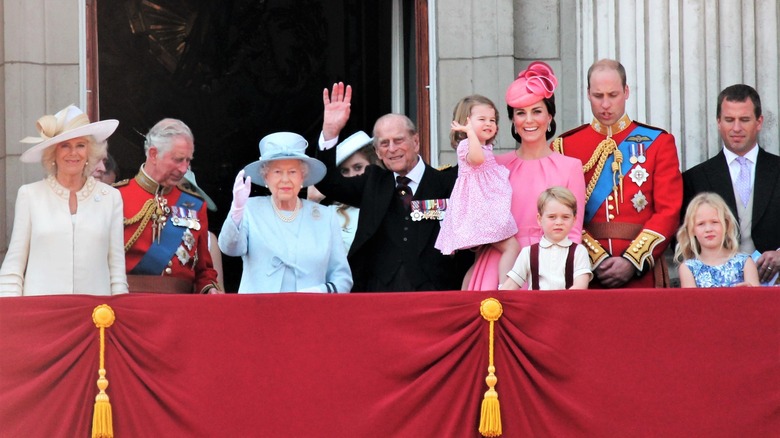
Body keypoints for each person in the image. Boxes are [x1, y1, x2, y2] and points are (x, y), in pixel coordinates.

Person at [313, 82, 473, 292]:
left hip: (435, 295)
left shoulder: (447, 182)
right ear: (377, 152)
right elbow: (328, 183)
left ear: (415, 142)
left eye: (399, 140)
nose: (392, 149)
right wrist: (330, 132)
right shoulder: (372, 182)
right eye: (384, 143)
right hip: (379, 296)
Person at [552, 58, 682, 288]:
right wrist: (595, 258)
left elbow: (668, 211)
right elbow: (560, 211)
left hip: (642, 272)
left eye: (613, 95)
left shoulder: (659, 142)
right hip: (586, 273)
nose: (605, 104)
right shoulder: (565, 147)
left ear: (626, 91)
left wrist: (633, 261)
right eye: (598, 95)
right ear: (587, 94)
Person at [468, 61, 586, 290]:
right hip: (498, 263)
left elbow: (573, 232)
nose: (529, 120)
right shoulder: (494, 164)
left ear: (550, 116)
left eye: (537, 111)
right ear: (513, 120)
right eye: (521, 113)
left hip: (549, 268)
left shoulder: (570, 167)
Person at [0, 105, 128, 296]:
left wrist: (118, 315)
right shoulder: (30, 195)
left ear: (90, 151)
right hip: (43, 314)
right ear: (53, 152)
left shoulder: (111, 198)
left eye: (80, 145)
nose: (73, 153)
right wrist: (12, 316)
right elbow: (13, 267)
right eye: (65, 145)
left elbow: (117, 272)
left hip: (96, 315)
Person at [218, 132, 352, 293]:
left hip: (310, 312)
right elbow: (229, 249)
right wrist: (236, 210)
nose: (285, 179)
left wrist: (319, 293)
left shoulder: (325, 217)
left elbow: (342, 278)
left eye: (293, 172)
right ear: (265, 178)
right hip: (258, 312)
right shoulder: (250, 209)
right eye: (277, 172)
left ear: (303, 177)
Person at [682, 84, 780, 285]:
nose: (736, 128)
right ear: (718, 122)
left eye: (744, 120)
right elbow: (683, 237)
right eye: (729, 120)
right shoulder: (694, 178)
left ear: (759, 121)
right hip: (717, 293)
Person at [116, 118, 222, 294]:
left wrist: (209, 289)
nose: (184, 169)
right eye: (178, 160)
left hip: (179, 309)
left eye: (188, 160)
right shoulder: (115, 197)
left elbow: (204, 271)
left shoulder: (195, 205)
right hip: (130, 305)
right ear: (153, 154)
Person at [434, 95, 520, 289]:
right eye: (482, 119)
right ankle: (505, 286)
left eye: (492, 120)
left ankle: (466, 292)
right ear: (466, 122)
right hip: (480, 212)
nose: (489, 124)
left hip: (482, 209)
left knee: (481, 258)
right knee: (511, 246)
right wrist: (471, 135)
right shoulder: (467, 145)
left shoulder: (482, 146)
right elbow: (476, 159)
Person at [500, 186, 591, 290]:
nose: (559, 222)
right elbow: (510, 285)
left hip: (566, 305)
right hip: (535, 306)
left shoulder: (579, 252)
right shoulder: (528, 252)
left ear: (574, 220)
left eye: (565, 217)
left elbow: (580, 286)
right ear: (539, 219)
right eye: (552, 217)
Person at [307, 130, 381, 252]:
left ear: (374, 165)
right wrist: (313, 202)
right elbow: (310, 250)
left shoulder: (391, 200)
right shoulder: (332, 214)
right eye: (345, 171)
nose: (352, 175)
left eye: (358, 167)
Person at [675, 192, 759, 288]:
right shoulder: (688, 268)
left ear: (727, 225)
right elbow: (691, 302)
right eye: (701, 224)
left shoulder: (745, 262)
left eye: (715, 222)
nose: (708, 229)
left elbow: (757, 300)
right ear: (691, 229)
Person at [183, 169, 224, 290]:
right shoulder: (151, 229)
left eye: (186, 187)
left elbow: (218, 292)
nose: (179, 193)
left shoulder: (209, 239)